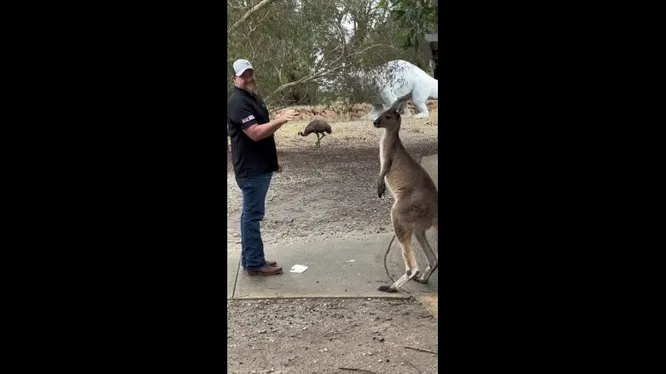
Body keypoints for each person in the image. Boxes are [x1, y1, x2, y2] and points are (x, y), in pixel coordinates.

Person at [227, 59, 298, 276]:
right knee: (252, 215)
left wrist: (272, 163)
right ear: (234, 79)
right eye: (243, 75)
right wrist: (281, 120)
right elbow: (255, 133)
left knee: (249, 215)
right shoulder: (238, 102)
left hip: (259, 167)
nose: (248, 78)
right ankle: (255, 263)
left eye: (250, 73)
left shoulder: (251, 97)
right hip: (251, 170)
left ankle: (250, 259)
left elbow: (263, 133)